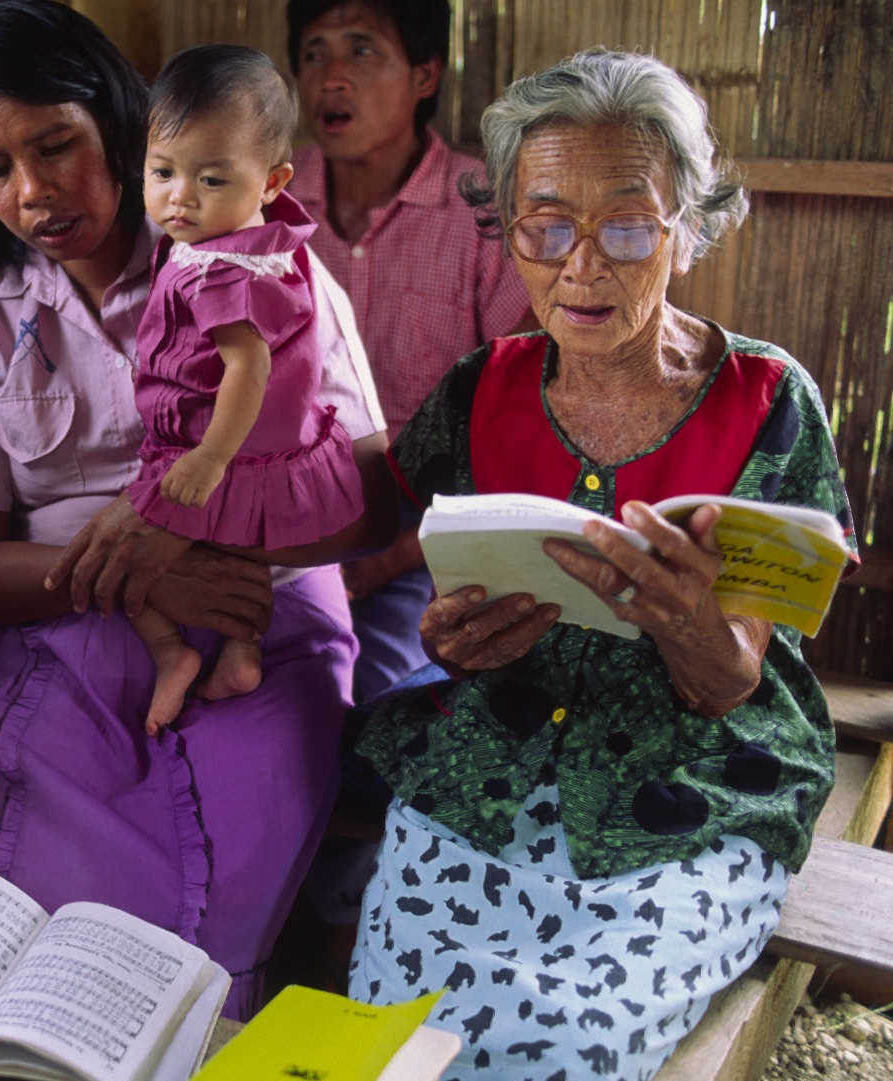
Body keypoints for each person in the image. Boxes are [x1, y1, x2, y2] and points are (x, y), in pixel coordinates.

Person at [344, 49, 857, 1080]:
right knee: (393, 1038)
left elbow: (730, 679)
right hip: (493, 757)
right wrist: (453, 638)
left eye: (628, 225)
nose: (582, 264)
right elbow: (370, 509)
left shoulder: (767, 400)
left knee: (572, 1042)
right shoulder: (486, 384)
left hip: (697, 782)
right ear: (511, 230)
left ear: (688, 228)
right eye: (546, 224)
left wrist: (686, 624)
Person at [0, 0, 395, 1019]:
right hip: (58, 636)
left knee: (227, 896)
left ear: (120, 128)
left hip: (260, 622)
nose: (34, 191)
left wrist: (206, 542)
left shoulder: (268, 271)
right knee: (59, 937)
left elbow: (364, 498)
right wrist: (141, 569)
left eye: (57, 146)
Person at [286, 0, 533, 703]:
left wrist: (389, 557)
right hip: (285, 517)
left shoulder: (484, 211)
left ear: (425, 74)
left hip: (433, 535)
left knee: (354, 702)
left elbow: (522, 420)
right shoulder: (266, 200)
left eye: (361, 50)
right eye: (313, 52)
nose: (331, 76)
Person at [126, 44, 364, 734]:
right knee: (233, 553)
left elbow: (248, 368)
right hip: (259, 454)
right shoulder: (253, 242)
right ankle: (239, 649)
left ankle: (171, 654)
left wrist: (207, 460)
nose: (180, 196)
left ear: (271, 179)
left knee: (129, 561)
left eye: (211, 179)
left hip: (217, 450)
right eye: (162, 171)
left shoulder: (223, 271)